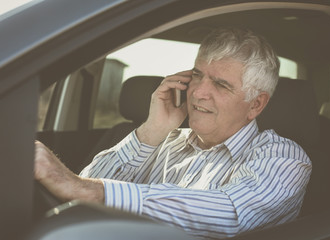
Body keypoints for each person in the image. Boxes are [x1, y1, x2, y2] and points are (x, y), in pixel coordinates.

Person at [35, 28, 312, 239]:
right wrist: (152, 129)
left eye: (221, 84)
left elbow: (233, 213)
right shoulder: (164, 140)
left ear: (255, 104)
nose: (199, 92)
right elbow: (83, 191)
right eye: (197, 75)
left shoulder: (283, 157)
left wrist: (91, 191)